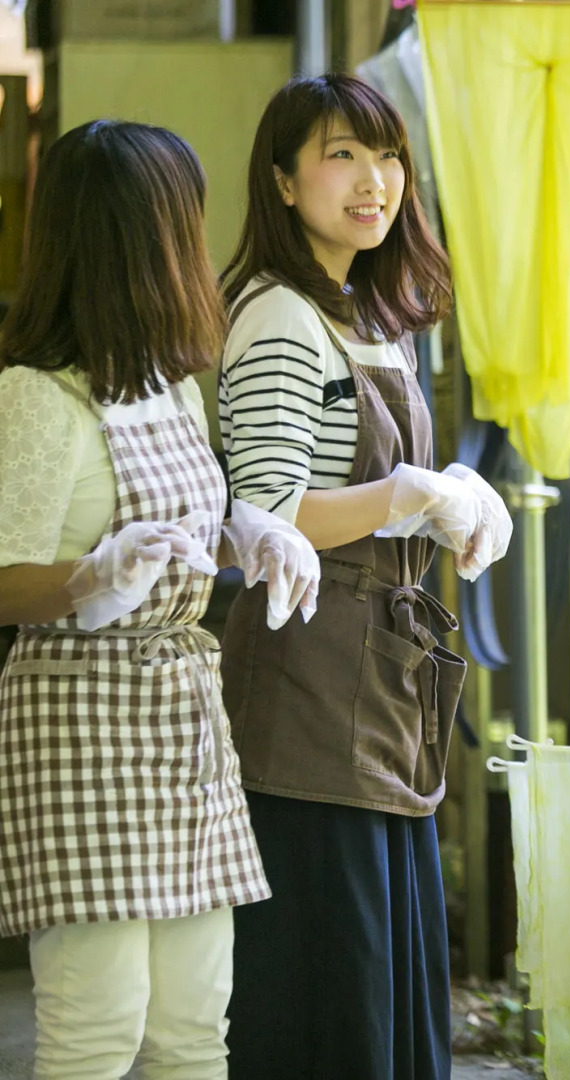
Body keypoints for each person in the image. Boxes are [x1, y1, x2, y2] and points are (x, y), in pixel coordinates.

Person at [0, 120, 319, 1080]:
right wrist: (91, 577)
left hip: (183, 709)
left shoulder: (172, 384)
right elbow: (6, 577)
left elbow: (188, 533)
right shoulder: (34, 395)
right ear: (148, 237)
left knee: (192, 1027)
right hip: (76, 712)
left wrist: (254, 533)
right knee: (99, 1027)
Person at [216, 74, 511, 1080]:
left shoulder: (366, 316)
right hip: (305, 689)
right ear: (283, 180)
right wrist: (407, 496)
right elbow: (267, 515)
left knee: (383, 971)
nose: (372, 181)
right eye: (341, 155)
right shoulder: (276, 321)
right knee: (330, 983)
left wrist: (452, 495)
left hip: (376, 678)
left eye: (386, 158)